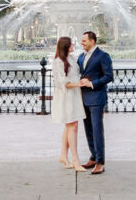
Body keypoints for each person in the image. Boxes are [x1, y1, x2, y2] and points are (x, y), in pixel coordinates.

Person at [77, 31, 113, 175]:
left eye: (84, 40)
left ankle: (100, 162)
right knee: (88, 130)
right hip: (83, 98)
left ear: (92, 41)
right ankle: (93, 156)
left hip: (97, 98)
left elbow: (109, 76)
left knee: (97, 130)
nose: (82, 43)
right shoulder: (81, 56)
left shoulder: (103, 56)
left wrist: (92, 83)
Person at [50, 36, 86, 172]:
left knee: (70, 125)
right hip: (66, 96)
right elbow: (62, 82)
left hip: (74, 95)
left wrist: (81, 81)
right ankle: (75, 159)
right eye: (70, 45)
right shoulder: (58, 61)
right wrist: (79, 84)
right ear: (65, 46)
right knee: (73, 126)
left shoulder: (71, 59)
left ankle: (63, 155)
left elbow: (76, 74)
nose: (73, 46)